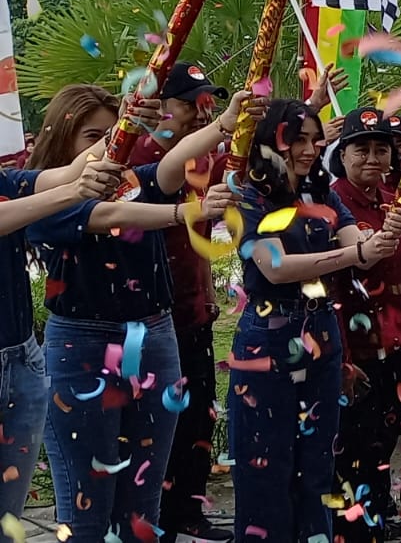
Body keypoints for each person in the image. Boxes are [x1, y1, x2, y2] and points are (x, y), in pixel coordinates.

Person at [27, 84, 242, 540]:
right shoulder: (44, 196)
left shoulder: (132, 181)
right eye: (94, 136)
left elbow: (166, 168)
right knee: (87, 509)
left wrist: (223, 126)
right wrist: (188, 210)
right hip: (82, 347)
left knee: (142, 508)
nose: (111, 144)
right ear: (63, 142)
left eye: (115, 133)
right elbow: (104, 216)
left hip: (154, 338)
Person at [229, 98, 401, 542]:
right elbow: (275, 267)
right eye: (298, 140)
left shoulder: (322, 192)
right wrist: (355, 252)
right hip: (269, 335)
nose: (309, 150)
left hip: (321, 329)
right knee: (267, 462)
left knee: (318, 462)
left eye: (314, 140)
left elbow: (361, 248)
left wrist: (387, 232)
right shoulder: (248, 195)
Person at [0, 120, 132, 525]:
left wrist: (125, 124)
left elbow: (68, 172)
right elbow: (66, 187)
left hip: (20, 356)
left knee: (7, 517)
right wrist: (74, 192)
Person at [125, 62, 233, 543]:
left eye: (203, 102)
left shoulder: (207, 158)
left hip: (193, 309)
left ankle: (188, 509)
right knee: (151, 420)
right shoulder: (137, 155)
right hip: (145, 315)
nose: (197, 112)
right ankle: (148, 513)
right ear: (159, 106)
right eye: (188, 103)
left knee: (197, 413)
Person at [326, 107, 401, 543]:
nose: (372, 158)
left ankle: (370, 526)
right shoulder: (329, 206)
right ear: (342, 155)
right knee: (344, 459)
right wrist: (343, 362)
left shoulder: (399, 206)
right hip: (350, 355)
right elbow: (325, 289)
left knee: (382, 450)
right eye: (361, 148)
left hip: (396, 350)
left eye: (381, 149)